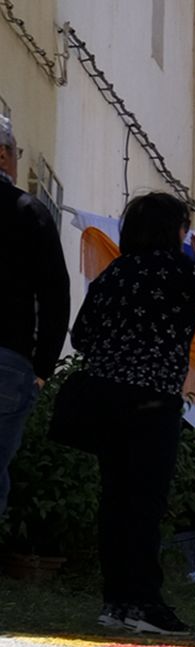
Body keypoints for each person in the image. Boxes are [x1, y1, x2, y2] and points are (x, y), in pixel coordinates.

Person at [68, 189, 195, 636]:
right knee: (145, 504)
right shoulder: (181, 270)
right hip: (153, 400)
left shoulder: (114, 274)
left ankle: (117, 601)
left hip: (107, 398)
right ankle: (145, 602)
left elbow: (82, 335)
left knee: (116, 501)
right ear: (175, 231)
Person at [0, 111, 71, 523]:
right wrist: (42, 368)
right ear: (4, 156)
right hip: (8, 361)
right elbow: (55, 295)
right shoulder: (30, 211)